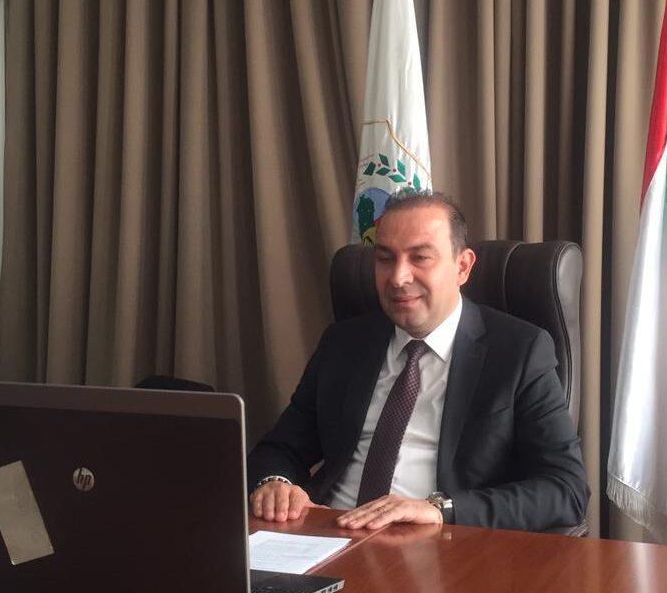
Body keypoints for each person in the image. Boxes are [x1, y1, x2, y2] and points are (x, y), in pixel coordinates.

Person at [247, 190, 589, 532]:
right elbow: (279, 448)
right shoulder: (344, 343)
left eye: (420, 258)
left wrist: (441, 509)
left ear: (462, 266)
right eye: (385, 259)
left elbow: (566, 490)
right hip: (327, 532)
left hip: (440, 542)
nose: (398, 278)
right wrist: (276, 483)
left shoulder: (520, 350)